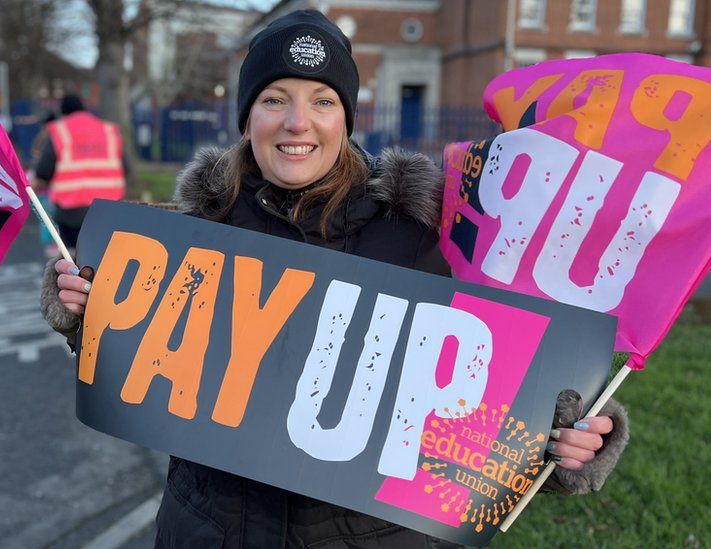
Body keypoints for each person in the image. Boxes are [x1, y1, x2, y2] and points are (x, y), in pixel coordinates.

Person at [40, 10, 629, 548]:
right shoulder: (198, 233)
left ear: (346, 117)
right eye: (274, 98)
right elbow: (139, 366)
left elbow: (496, 397)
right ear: (248, 115)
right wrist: (87, 312)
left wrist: (569, 439)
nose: (298, 122)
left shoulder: (423, 237)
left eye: (322, 100)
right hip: (211, 529)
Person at [34, 93, 127, 250]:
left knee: (75, 260)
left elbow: (44, 171)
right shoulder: (108, 130)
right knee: (102, 258)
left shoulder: (60, 131)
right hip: (107, 209)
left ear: (63, 112)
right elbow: (125, 167)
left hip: (71, 211)